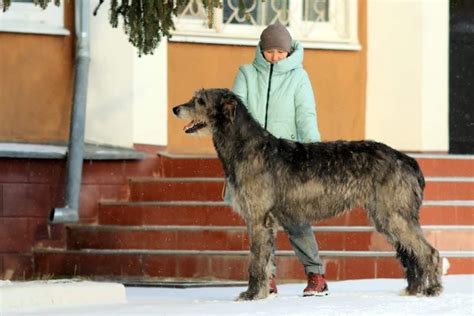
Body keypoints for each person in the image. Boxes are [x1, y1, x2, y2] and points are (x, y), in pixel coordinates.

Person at [230, 23, 328, 297]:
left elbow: (306, 116)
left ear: (288, 51)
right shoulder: (247, 74)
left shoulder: (299, 77)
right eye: (270, 51)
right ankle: (266, 279)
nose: (274, 56)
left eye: (280, 51)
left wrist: (314, 154)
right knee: (260, 223)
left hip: (288, 164)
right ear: (262, 50)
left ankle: (316, 275)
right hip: (254, 165)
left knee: (296, 220)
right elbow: (234, 117)